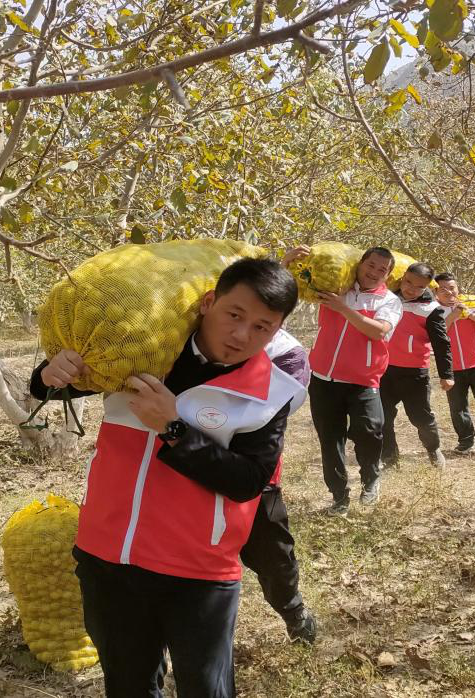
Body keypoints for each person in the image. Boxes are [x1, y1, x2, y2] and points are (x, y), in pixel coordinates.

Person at [29, 257, 306, 698]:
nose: (241, 335)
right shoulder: (141, 351)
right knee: (127, 687)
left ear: (278, 331)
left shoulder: (271, 391)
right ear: (208, 302)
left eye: (262, 327)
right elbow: (52, 386)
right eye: (234, 315)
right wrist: (51, 372)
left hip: (197, 572)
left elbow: (248, 481)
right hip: (108, 557)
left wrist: (175, 429)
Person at [283, 245, 402, 514]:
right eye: (370, 265)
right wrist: (287, 262)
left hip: (364, 381)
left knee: (370, 431)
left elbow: (378, 332)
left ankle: (370, 480)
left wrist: (342, 308)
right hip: (324, 379)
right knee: (330, 439)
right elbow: (284, 291)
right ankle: (339, 496)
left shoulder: (388, 301)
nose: (374, 272)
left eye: (382, 270)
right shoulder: (336, 288)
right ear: (360, 264)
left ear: (388, 275)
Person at [240, 328, 317, 644]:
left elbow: (264, 416)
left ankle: (293, 611)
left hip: (255, 478)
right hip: (181, 471)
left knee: (272, 555)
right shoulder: (179, 336)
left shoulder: (287, 355)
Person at [380, 262, 454, 470]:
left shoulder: (431, 310)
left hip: (414, 373)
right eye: (408, 282)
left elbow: (441, 343)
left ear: (428, 287)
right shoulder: (387, 299)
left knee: (420, 417)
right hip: (384, 369)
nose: (411, 289)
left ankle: (433, 449)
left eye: (419, 286)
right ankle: (390, 457)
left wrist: (446, 374)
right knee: (383, 417)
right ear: (402, 277)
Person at [433, 272, 475, 455]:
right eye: (443, 289)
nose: (448, 292)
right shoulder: (434, 311)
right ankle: (466, 440)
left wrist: (468, 314)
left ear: (458, 289)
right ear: (436, 292)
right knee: (458, 407)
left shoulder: (471, 305)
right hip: (451, 367)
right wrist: (454, 315)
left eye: (451, 288)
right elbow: (437, 332)